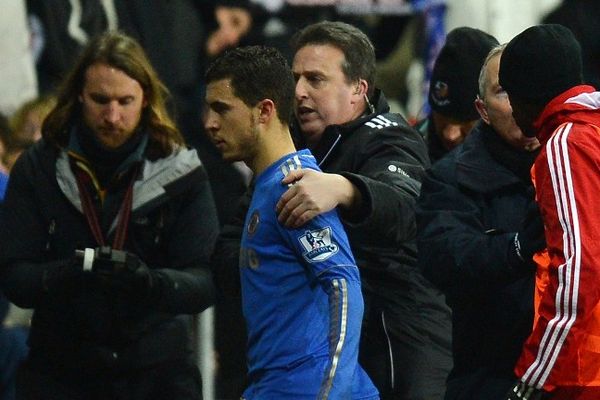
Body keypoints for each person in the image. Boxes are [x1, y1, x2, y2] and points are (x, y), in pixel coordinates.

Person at [0, 31, 218, 399]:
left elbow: (206, 281)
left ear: (146, 99)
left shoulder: (181, 172)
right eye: (100, 100)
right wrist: (64, 275)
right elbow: (13, 276)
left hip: (155, 373)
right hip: (61, 369)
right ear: (79, 95)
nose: (112, 116)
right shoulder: (39, 168)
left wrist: (150, 283)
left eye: (125, 101)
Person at [272, 21, 452, 399]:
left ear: (358, 89)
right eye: (296, 79)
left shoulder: (390, 136)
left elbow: (407, 206)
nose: (300, 92)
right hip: (311, 335)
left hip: (396, 333)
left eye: (316, 79)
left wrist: (346, 188)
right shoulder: (286, 148)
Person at [204, 44, 379, 400]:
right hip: (274, 385)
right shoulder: (266, 186)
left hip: (307, 388)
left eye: (222, 109)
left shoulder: (294, 187)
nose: (210, 123)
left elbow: (344, 285)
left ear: (264, 111)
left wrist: (333, 390)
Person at [416, 44, 546, 400]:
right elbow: (444, 257)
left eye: (530, 84)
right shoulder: (450, 178)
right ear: (482, 110)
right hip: (490, 375)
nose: (521, 99)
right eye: (504, 90)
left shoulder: (582, 162)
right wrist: (517, 248)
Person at [499, 24, 600, 400]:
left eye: (509, 93)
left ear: (527, 94)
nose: (510, 108)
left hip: (585, 370)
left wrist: (535, 375)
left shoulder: (567, 144)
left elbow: (579, 269)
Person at [415, 27, 499, 163]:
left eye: (464, 121)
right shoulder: (407, 151)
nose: (450, 135)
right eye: (443, 118)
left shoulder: (521, 156)